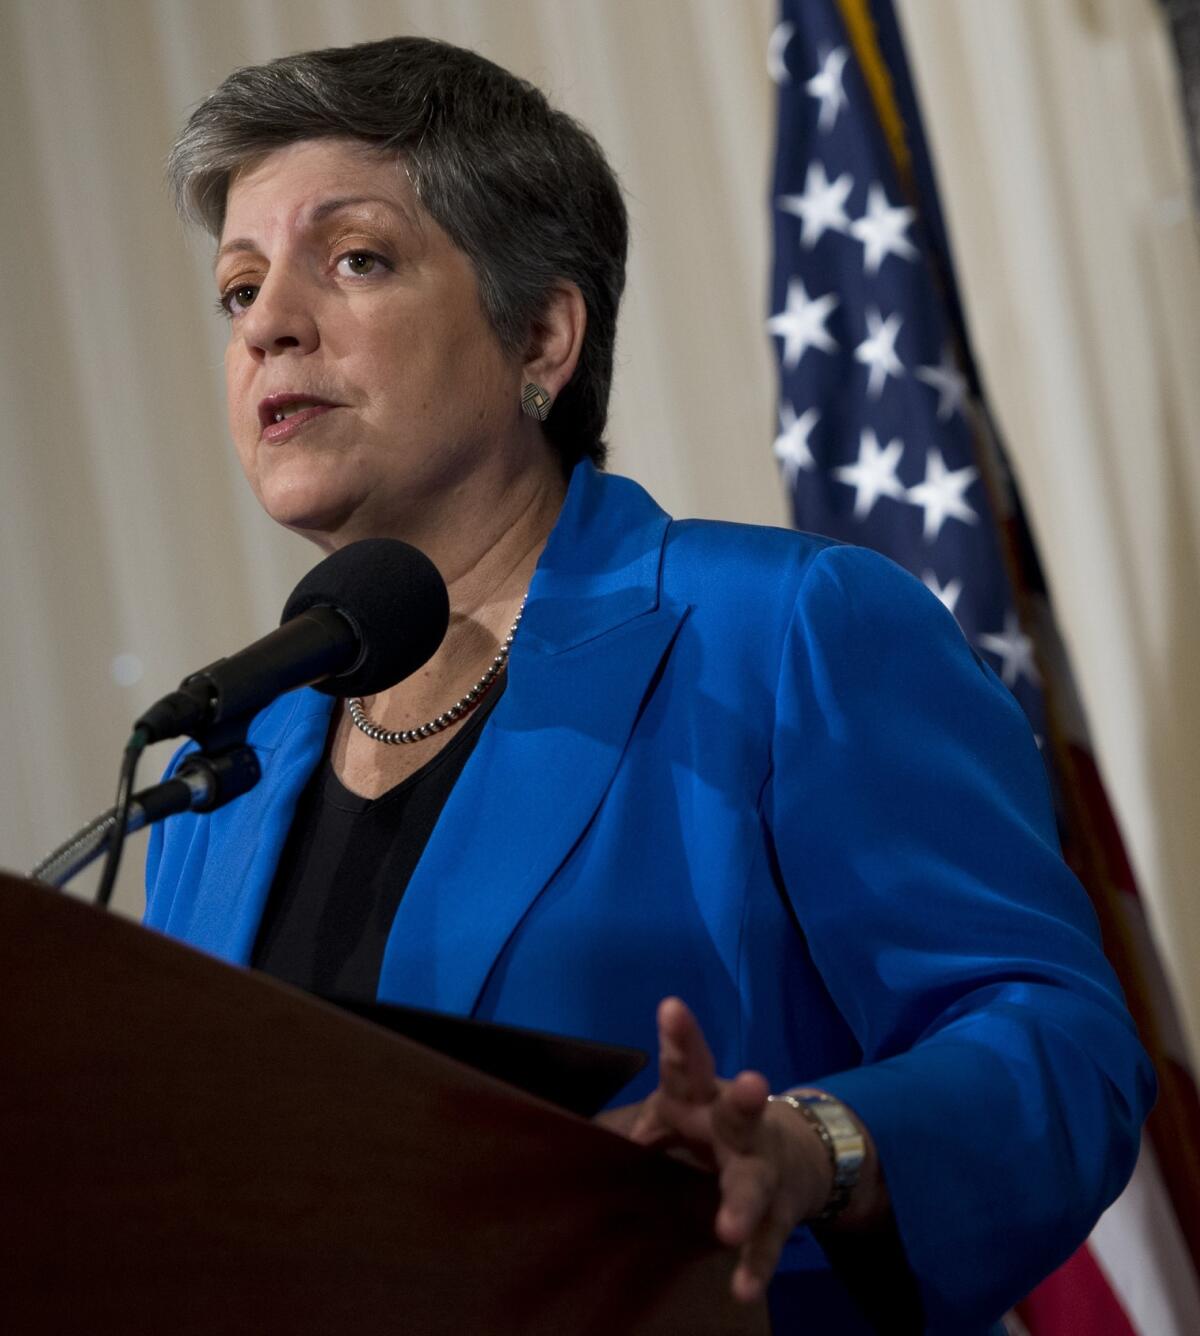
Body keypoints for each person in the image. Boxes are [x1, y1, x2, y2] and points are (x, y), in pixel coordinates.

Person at [144, 35, 1153, 1334]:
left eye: (354, 259)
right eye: (238, 288)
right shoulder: (220, 767)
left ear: (543, 336)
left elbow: (1063, 1050)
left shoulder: (786, 632)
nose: (270, 323)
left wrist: (811, 1149)